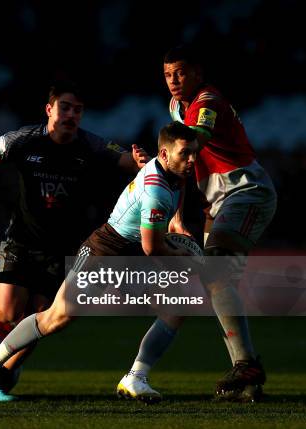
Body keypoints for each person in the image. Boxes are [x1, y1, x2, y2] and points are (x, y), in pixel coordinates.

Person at [0, 121, 199, 402]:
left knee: (179, 303)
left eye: (194, 153)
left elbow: (178, 190)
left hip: (129, 254)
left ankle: (136, 378)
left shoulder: (174, 172)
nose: (192, 160)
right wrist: (183, 257)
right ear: (163, 155)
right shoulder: (157, 190)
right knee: (55, 318)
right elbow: (153, 248)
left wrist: (178, 221)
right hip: (105, 252)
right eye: (185, 154)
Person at [116, 45, 277, 403]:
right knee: (214, 285)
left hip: (246, 191)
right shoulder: (177, 107)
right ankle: (248, 380)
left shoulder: (208, 102)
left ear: (198, 74)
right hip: (214, 203)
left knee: (216, 267)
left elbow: (191, 145)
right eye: (168, 74)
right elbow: (184, 167)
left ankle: (247, 363)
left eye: (181, 73)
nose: (173, 81)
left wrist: (156, 160)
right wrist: (176, 215)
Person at [0, 81, 148, 329]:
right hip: (23, 239)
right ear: (49, 110)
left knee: (43, 316)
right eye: (65, 107)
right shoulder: (24, 140)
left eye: (78, 110)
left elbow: (124, 159)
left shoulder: (91, 144)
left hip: (61, 245)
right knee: (7, 313)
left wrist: (138, 161)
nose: (72, 115)